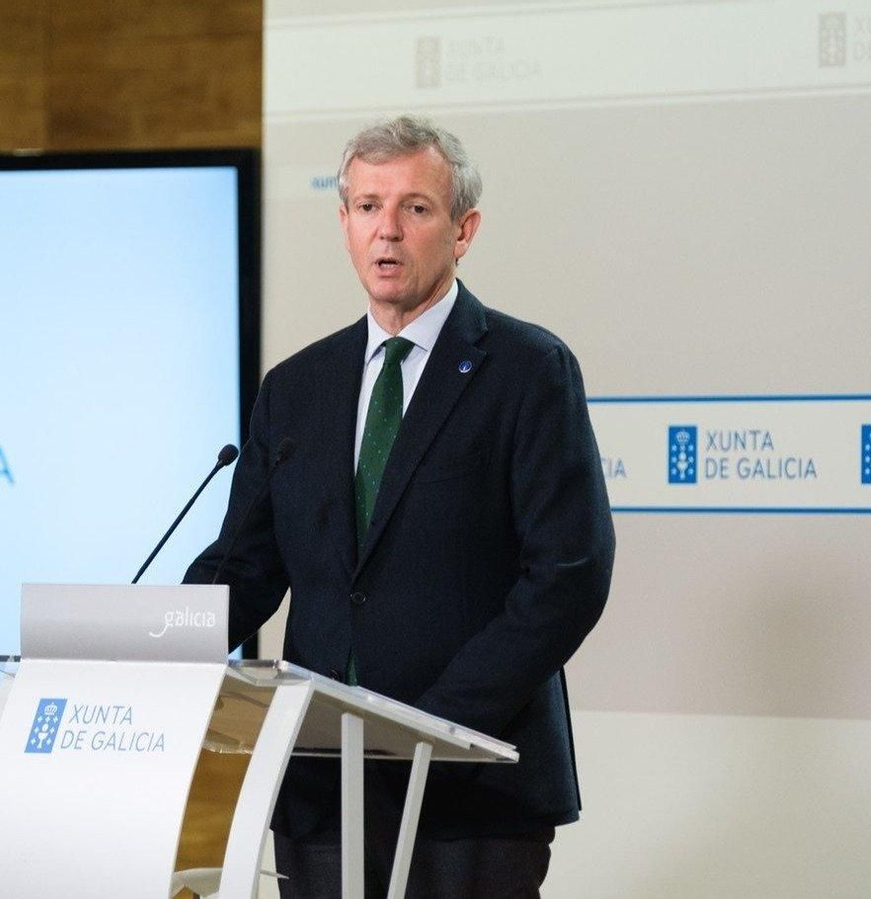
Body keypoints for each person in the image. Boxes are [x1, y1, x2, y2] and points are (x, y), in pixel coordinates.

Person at [185, 115, 615, 898]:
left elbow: (569, 574)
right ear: (343, 223)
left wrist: (430, 725)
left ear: (463, 229)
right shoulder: (296, 388)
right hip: (323, 789)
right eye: (366, 206)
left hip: (469, 787)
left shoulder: (528, 371)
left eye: (414, 208)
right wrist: (162, 638)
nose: (387, 230)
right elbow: (248, 563)